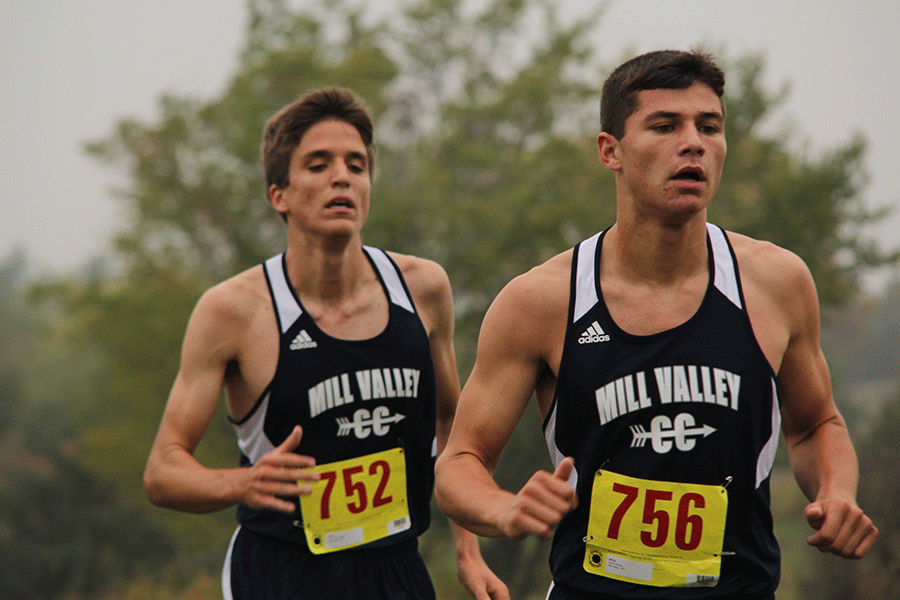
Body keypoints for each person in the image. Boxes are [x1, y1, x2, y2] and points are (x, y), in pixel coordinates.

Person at [434, 50, 878, 599]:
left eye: (708, 127)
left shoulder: (776, 283)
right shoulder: (541, 301)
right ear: (610, 151)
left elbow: (815, 426)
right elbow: (460, 462)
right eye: (665, 126)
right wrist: (504, 508)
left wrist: (837, 492)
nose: (692, 142)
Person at [144, 86, 507, 600]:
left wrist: (468, 553)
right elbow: (163, 470)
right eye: (318, 165)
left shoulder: (423, 289)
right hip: (282, 575)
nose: (342, 176)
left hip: (396, 569)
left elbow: (452, 428)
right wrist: (240, 484)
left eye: (356, 165)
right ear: (280, 195)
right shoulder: (233, 311)